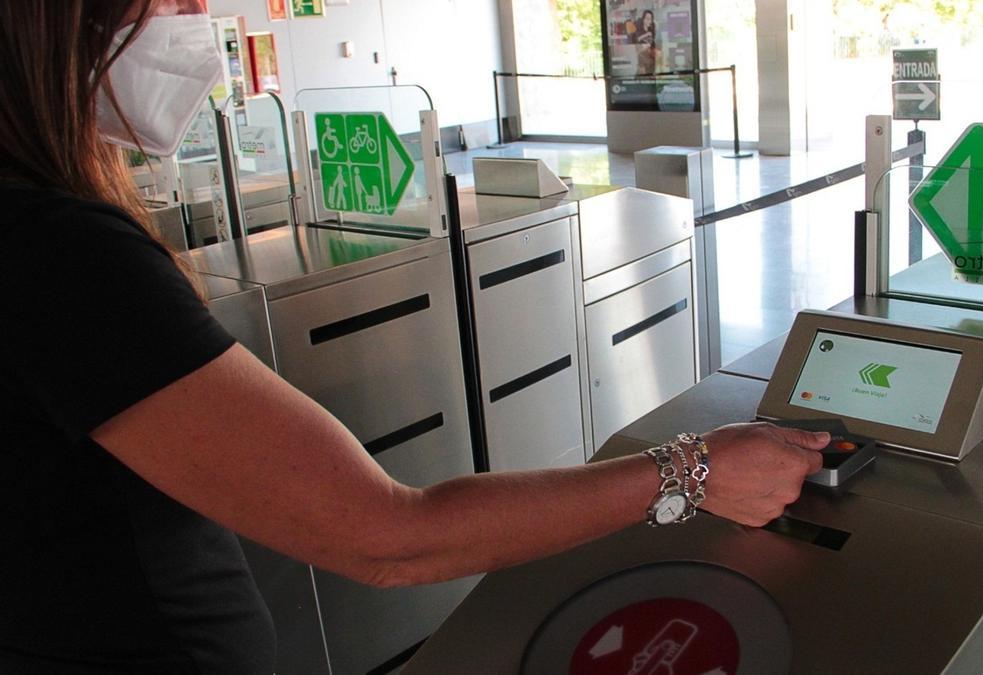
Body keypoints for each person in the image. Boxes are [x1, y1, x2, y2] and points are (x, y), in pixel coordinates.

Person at [0, 1, 827, 672]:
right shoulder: (61, 255)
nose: (194, 16)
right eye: (169, 1)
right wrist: (693, 469)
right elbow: (387, 535)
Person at [634, 9, 659, 75]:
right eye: (647, 19)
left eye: (650, 19)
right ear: (643, 19)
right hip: (642, 63)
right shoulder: (639, 30)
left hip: (651, 62)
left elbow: (654, 45)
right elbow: (637, 40)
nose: (649, 21)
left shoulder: (652, 30)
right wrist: (646, 34)